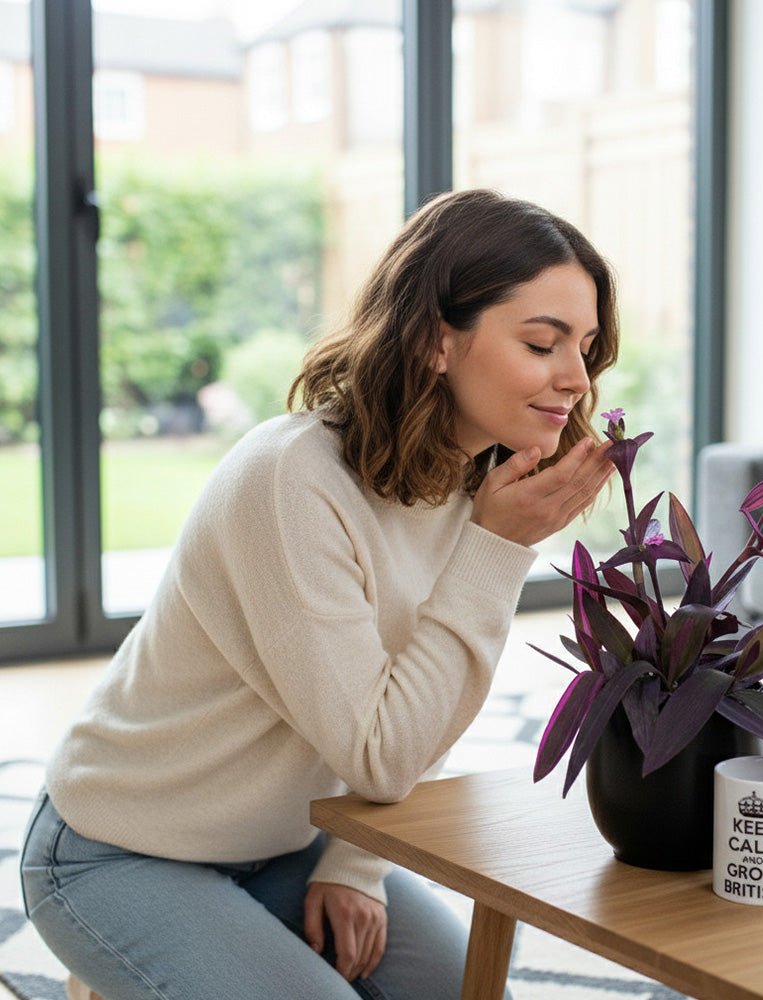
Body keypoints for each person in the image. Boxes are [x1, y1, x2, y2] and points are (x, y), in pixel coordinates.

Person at [20, 188, 620, 999]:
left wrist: (357, 863)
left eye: (584, 347)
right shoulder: (291, 479)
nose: (576, 379)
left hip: (287, 844)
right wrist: (497, 550)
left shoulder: (478, 488)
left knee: (475, 993)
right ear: (435, 341)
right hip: (121, 845)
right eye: (543, 343)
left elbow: (424, 704)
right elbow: (382, 749)